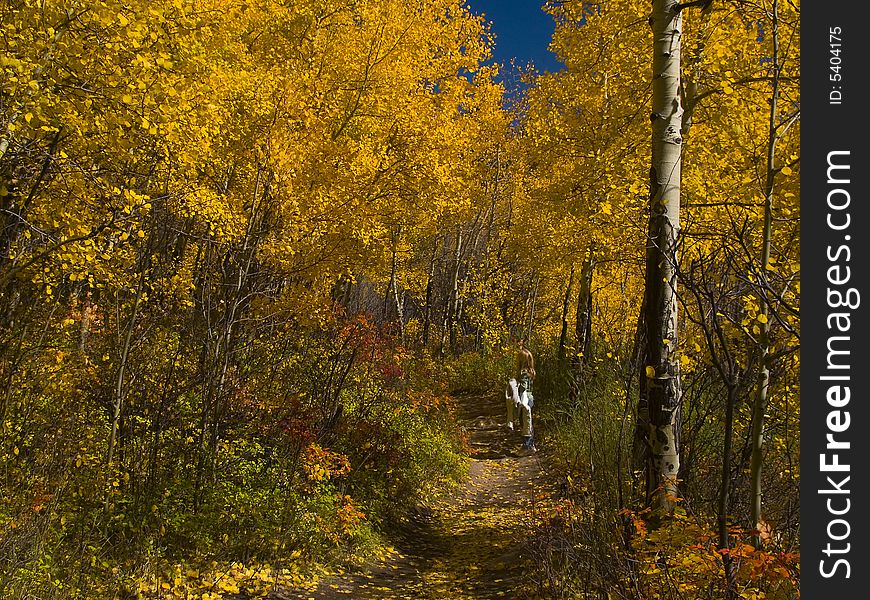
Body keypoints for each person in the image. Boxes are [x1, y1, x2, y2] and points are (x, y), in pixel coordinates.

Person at [515, 343, 537, 454]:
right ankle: (531, 445)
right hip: (530, 399)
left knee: (525, 423)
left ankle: (527, 446)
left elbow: (523, 387)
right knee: (528, 422)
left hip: (525, 400)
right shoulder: (531, 372)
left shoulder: (523, 373)